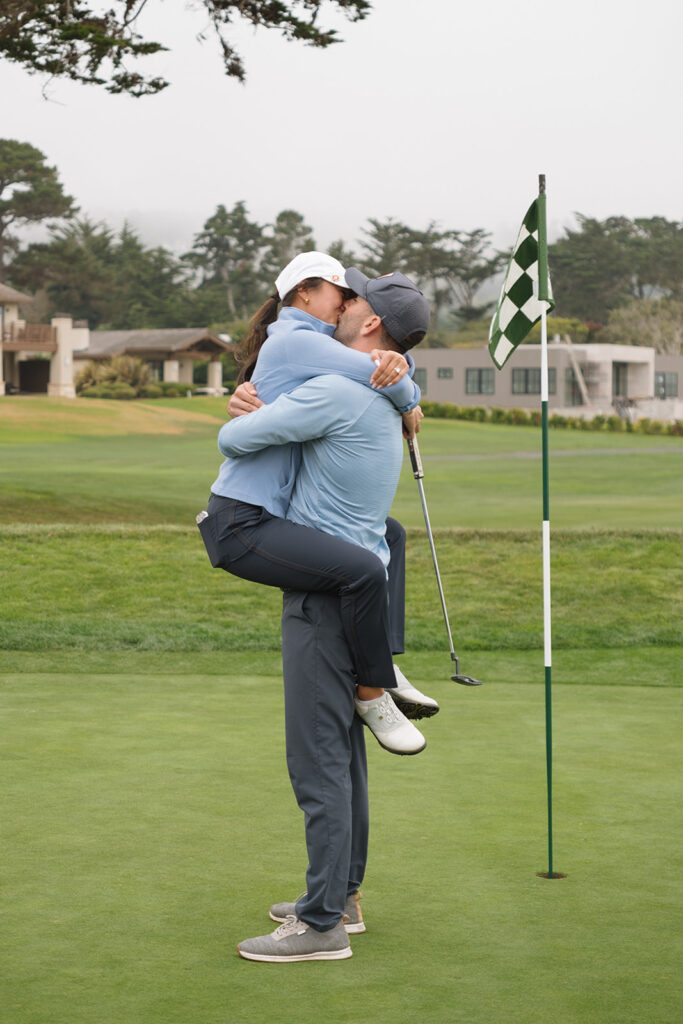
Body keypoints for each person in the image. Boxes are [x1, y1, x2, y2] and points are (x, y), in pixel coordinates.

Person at [221, 272, 430, 961]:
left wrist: (240, 407)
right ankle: (341, 896)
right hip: (345, 580)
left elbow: (239, 442)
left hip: (322, 598)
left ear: (369, 325)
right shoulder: (375, 391)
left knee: (317, 761)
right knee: (343, 756)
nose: (341, 305)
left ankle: (319, 926)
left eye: (353, 301)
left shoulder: (337, 389)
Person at [198, 253, 438, 756]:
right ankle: (371, 693)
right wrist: (408, 391)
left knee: (389, 534)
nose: (346, 302)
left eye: (353, 298)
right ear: (304, 293)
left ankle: (383, 661)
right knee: (363, 570)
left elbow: (372, 368)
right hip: (242, 516)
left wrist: (399, 368)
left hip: (268, 511)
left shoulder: (308, 347)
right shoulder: (297, 341)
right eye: (340, 293)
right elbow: (376, 373)